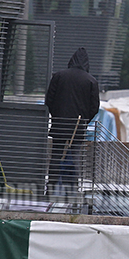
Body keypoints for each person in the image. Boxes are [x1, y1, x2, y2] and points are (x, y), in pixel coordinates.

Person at [45, 47, 100, 198]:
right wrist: (84, 121)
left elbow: (49, 100)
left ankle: (50, 190)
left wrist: (57, 115)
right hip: (78, 126)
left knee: (56, 156)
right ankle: (72, 192)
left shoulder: (59, 76)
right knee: (75, 158)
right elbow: (94, 107)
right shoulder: (91, 81)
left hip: (60, 125)